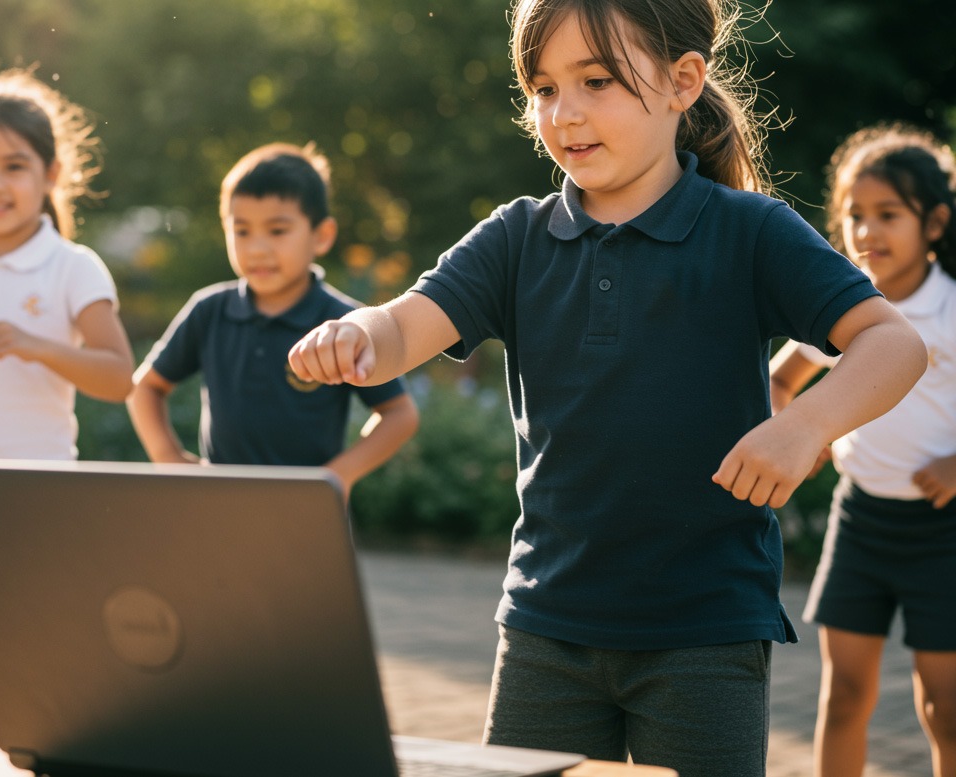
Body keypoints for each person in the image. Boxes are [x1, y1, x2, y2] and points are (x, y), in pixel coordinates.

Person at [288, 0, 928, 774]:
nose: (565, 113)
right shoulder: (514, 238)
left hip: (705, 630)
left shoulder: (750, 231)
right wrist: (358, 333)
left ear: (683, 81)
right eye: (545, 87)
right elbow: (401, 328)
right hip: (545, 625)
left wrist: (805, 425)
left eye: (596, 80)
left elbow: (893, 342)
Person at [0, 65, 135, 754]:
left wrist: (35, 344)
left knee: (28, 676)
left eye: (13, 166)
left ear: (51, 173)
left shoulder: (73, 268)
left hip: (35, 496)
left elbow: (118, 376)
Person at [770, 124, 956, 777]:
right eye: (854, 215)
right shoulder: (847, 309)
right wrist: (799, 430)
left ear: (934, 222)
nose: (867, 231)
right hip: (861, 522)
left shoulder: (953, 312)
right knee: (845, 692)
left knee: (945, 704)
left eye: (888, 215)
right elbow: (780, 380)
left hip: (943, 533)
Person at [127, 142, 418, 495]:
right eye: (242, 231)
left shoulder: (345, 322)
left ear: (322, 235)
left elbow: (399, 414)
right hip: (217, 509)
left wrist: (335, 478)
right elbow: (146, 387)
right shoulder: (209, 310)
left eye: (277, 231)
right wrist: (169, 460)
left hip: (304, 516)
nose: (257, 248)